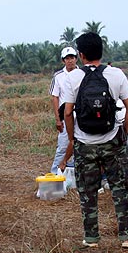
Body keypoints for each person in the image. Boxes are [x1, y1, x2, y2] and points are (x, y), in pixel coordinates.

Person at [59, 32, 128, 249]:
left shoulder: (72, 78)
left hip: (84, 143)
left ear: (81, 55)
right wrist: (123, 133)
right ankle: (127, 237)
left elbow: (67, 112)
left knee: (87, 191)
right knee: (119, 188)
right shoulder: (116, 74)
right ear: (101, 52)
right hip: (112, 140)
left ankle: (91, 238)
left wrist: (72, 138)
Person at [49, 46, 78, 174]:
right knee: (63, 146)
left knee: (80, 146)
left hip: (81, 116)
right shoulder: (58, 76)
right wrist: (58, 119)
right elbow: (55, 97)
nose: (70, 61)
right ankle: (55, 173)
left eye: (72, 57)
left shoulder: (82, 74)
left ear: (76, 58)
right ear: (63, 61)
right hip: (65, 116)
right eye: (67, 58)